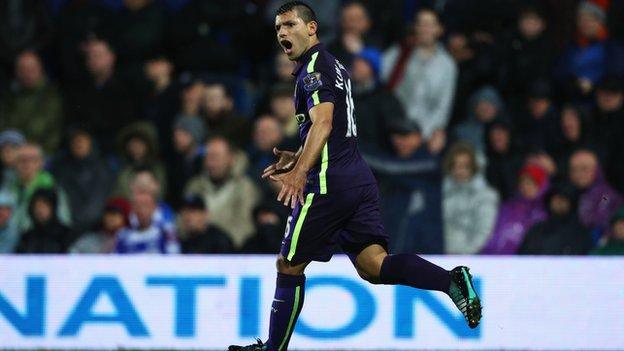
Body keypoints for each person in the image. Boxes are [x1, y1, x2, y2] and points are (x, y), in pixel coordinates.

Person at [228, 3, 481, 350]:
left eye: (289, 24)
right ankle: (452, 282)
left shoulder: (314, 70)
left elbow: (324, 123)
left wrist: (301, 172)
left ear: (312, 27)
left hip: (329, 183)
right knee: (374, 267)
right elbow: (332, 132)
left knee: (288, 265)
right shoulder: (334, 65)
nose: (282, 33)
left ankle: (273, 348)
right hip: (356, 178)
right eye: (277, 28)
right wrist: (298, 155)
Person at [381, 8, 457, 140]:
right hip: (390, 128)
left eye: (429, 25)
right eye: (420, 24)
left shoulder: (447, 65)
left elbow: (442, 108)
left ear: (439, 29)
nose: (423, 29)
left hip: (423, 135)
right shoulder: (400, 52)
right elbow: (378, 78)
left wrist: (420, 135)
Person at [185, 137, 260, 248]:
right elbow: (182, 221)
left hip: (230, 253)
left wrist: (220, 241)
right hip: (196, 251)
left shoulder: (245, 188)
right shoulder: (194, 186)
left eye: (216, 157)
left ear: (231, 159)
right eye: (208, 157)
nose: (211, 163)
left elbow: (246, 227)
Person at [49, 128, 114, 234]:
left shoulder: (102, 169)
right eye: (75, 141)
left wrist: (82, 224)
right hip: (65, 228)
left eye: (82, 141)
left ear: (90, 144)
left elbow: (98, 201)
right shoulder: (61, 169)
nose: (78, 144)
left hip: (93, 228)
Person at [0, 50, 64, 154]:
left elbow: (54, 134)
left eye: (31, 69)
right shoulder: (8, 96)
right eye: (23, 69)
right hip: (10, 153)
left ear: (40, 69)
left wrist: (35, 152)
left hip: (42, 155)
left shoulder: (51, 95)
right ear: (16, 72)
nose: (27, 74)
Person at [443, 142, 499, 254]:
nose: (459, 170)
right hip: (439, 256)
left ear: (473, 167)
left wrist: (464, 255)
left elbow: (484, 232)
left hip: (470, 260)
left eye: (464, 166)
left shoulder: (485, 195)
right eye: (455, 165)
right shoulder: (442, 192)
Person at [481, 164, 549, 255]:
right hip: (498, 259)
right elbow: (493, 235)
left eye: (531, 183)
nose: (526, 186)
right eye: (523, 182)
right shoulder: (507, 208)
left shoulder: (545, 213)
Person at [518, 182, 592, 255]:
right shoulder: (537, 230)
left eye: (564, 199)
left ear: (571, 202)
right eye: (555, 198)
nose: (559, 202)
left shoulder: (580, 234)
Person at [568, 149, 623, 238]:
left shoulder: (606, 195)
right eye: (574, 170)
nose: (578, 174)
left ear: (597, 170)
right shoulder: (575, 193)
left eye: (584, 168)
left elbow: (601, 213)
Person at [115, 186, 179, 254]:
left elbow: (173, 257)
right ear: (133, 209)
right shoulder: (123, 235)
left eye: (146, 205)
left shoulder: (166, 231)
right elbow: (117, 259)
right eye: (138, 206)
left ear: (154, 207)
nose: (142, 210)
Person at [15, 188, 75, 254]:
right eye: (37, 206)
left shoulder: (66, 235)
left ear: (53, 208)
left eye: (44, 206)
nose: (40, 210)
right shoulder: (27, 238)